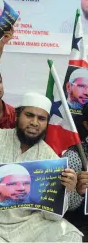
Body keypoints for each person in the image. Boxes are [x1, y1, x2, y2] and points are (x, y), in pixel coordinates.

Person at [0, 81, 82, 242]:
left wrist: (64, 192)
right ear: (17, 115)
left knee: (70, 235)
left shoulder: (50, 158)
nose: (34, 122)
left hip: (29, 226)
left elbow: (52, 216)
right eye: (29, 115)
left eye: (41, 118)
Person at [63, 102, 88, 242]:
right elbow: (67, 208)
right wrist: (78, 191)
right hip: (81, 227)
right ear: (86, 125)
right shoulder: (74, 156)